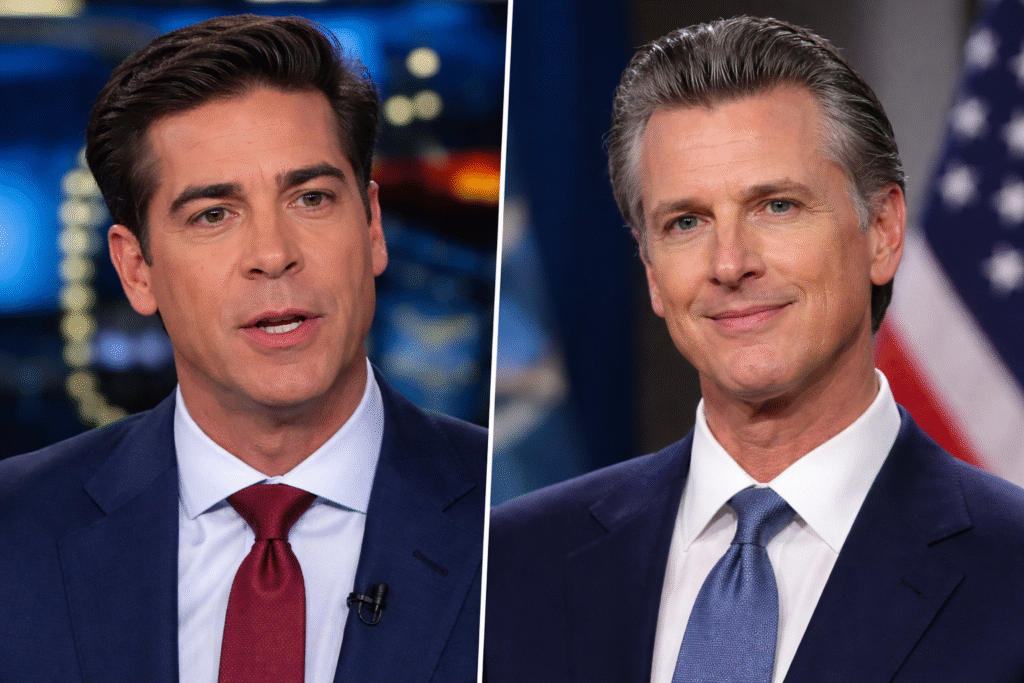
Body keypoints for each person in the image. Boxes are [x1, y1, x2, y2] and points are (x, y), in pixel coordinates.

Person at [486, 16, 1024, 683]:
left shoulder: (1010, 574)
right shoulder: (510, 566)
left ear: (882, 231)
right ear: (651, 271)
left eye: (777, 206)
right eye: (686, 222)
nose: (730, 263)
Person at [0, 14, 485, 683]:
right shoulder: (15, 535)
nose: (273, 253)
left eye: (311, 198)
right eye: (213, 215)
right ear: (136, 268)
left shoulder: (517, 519)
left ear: (372, 227)